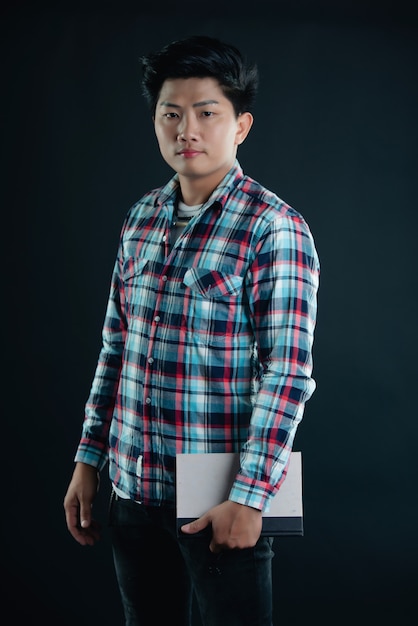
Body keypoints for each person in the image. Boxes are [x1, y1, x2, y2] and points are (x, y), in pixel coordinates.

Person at [63, 34, 320, 626]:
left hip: (219, 498)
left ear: (241, 126)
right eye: (171, 114)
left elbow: (287, 374)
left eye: (207, 113)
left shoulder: (274, 228)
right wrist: (87, 459)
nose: (188, 131)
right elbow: (116, 347)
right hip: (132, 489)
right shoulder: (141, 217)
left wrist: (251, 497)